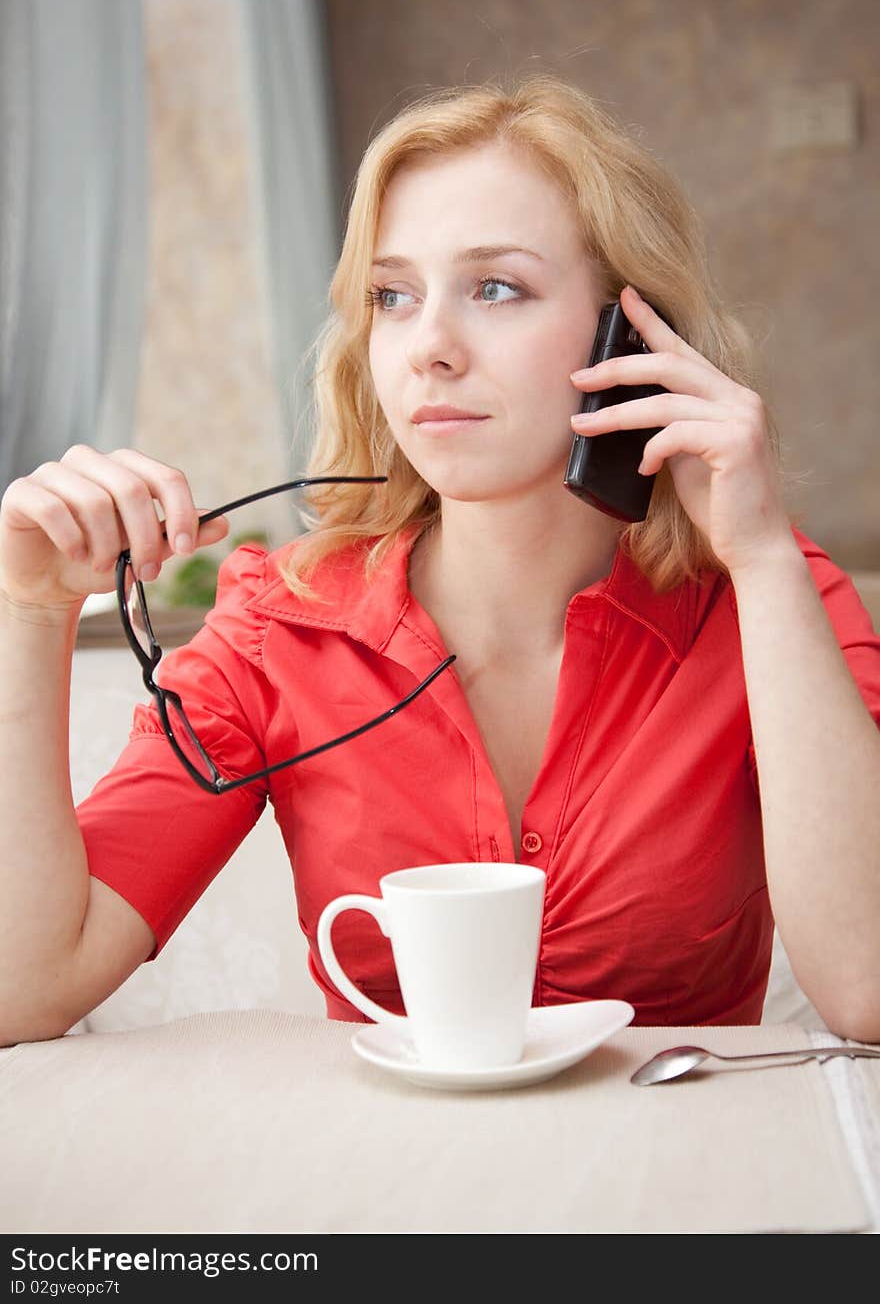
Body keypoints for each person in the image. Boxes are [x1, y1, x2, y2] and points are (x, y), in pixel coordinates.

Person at [1, 73, 879, 1048]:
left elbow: (867, 989)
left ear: (632, 335)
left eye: (495, 287)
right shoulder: (277, 623)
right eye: (392, 295)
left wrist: (756, 554)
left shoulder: (771, 594)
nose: (428, 347)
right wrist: (27, 611)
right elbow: (24, 990)